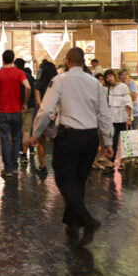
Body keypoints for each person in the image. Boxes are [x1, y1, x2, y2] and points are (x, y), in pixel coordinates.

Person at [31, 47, 113, 246]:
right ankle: (72, 223)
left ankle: (87, 220)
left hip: (70, 136)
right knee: (78, 181)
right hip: (90, 137)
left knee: (63, 178)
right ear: (84, 62)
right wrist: (108, 142)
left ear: (67, 61)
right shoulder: (95, 83)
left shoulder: (60, 80)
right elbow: (104, 113)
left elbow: (46, 110)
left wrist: (36, 133)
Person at [0, 50, 30, 176]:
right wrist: (25, 103)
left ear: (2, 59)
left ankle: (8, 169)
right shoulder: (19, 73)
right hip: (16, 111)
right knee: (16, 138)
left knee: (4, 140)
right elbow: (28, 87)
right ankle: (14, 167)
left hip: (3, 111)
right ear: (13, 59)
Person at [103, 69, 132, 173]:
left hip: (123, 118)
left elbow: (128, 103)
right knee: (113, 141)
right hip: (113, 119)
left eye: (110, 76)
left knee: (125, 141)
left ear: (114, 76)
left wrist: (129, 118)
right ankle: (111, 162)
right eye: (106, 77)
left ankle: (122, 163)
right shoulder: (109, 88)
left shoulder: (123, 86)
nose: (109, 79)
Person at [33, 60, 58, 175]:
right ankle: (59, 164)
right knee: (56, 142)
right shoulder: (57, 84)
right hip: (55, 115)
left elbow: (39, 103)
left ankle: (43, 167)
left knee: (41, 142)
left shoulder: (38, 84)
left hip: (42, 114)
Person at [120, 69, 138, 165]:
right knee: (127, 134)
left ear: (129, 75)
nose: (124, 76)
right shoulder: (119, 85)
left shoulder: (132, 84)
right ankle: (131, 155)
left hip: (135, 112)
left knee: (136, 133)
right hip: (125, 113)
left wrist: (126, 87)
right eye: (122, 75)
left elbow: (134, 96)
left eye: (126, 74)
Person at [14, 58, 36, 162]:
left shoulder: (15, 77)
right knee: (26, 131)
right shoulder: (31, 78)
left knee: (16, 130)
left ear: (16, 65)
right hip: (29, 107)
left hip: (16, 107)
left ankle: (15, 153)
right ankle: (24, 154)